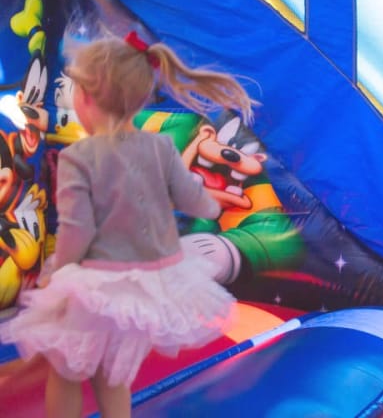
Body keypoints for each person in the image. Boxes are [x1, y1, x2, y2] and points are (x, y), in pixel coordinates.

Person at [0, 30, 256, 418]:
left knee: (66, 373)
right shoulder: (161, 148)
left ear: (87, 99)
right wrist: (211, 205)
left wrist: (58, 272)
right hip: (144, 286)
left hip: (97, 283)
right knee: (112, 374)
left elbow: (77, 229)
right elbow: (194, 199)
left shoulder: (80, 157)